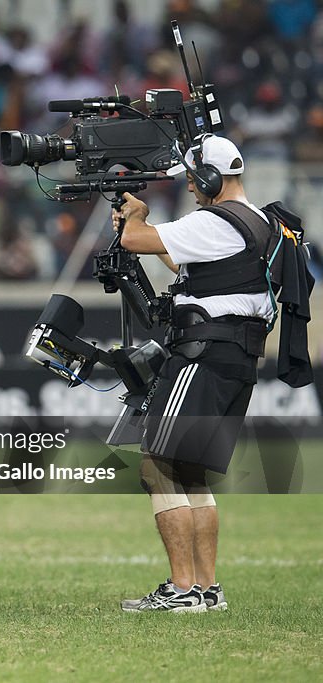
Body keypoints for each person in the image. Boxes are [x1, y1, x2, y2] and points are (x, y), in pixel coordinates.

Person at [115, 134, 274, 613]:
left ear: (209, 176)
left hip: (203, 354)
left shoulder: (214, 219)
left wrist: (136, 217)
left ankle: (182, 590)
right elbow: (189, 260)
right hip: (235, 357)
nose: (188, 185)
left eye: (192, 177)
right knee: (191, 473)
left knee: (156, 464)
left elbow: (134, 241)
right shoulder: (258, 220)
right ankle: (206, 589)